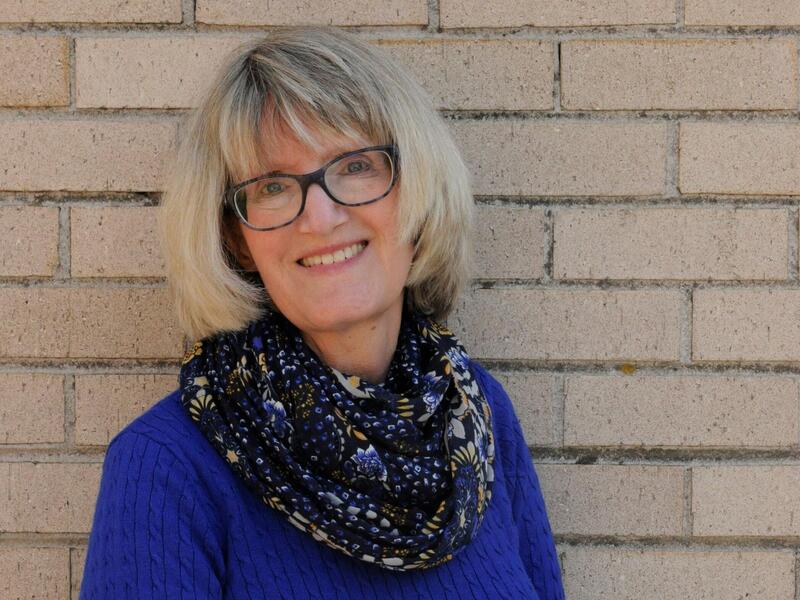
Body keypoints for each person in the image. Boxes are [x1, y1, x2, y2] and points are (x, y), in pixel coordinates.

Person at [79, 26, 565, 600]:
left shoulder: (475, 415)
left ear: (417, 190)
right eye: (275, 187)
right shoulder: (166, 470)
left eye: (356, 166)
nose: (321, 216)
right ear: (237, 241)